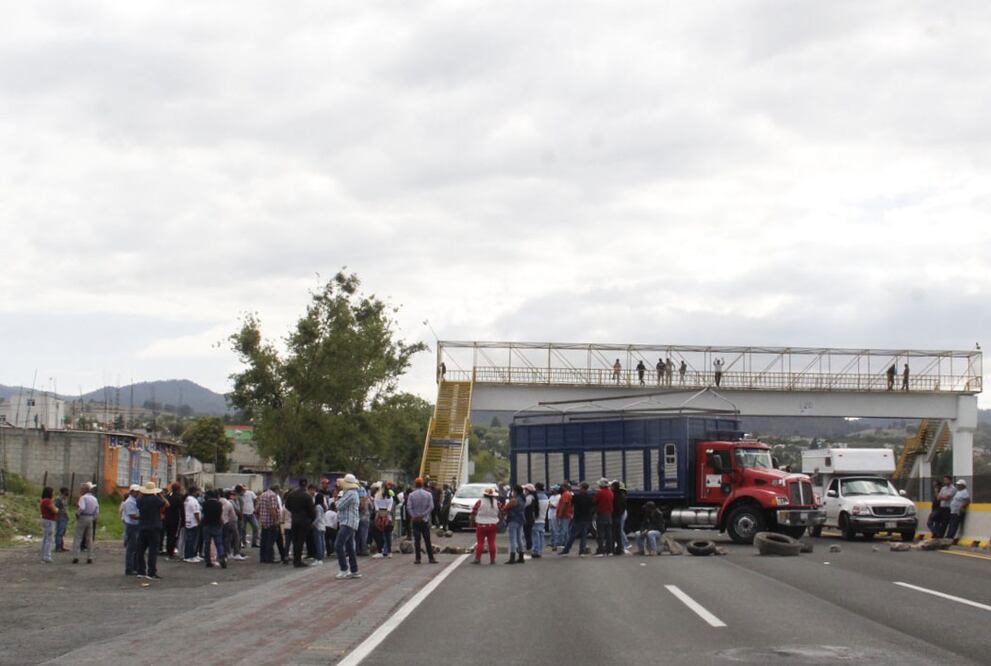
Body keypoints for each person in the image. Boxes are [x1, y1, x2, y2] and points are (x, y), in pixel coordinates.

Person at [135, 481, 168, 580]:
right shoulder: (156, 499)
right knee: (152, 551)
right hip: (154, 527)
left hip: (142, 526)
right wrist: (160, 495)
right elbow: (166, 504)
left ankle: (141, 571)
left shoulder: (139, 500)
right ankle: (151, 572)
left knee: (140, 550)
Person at [334, 474, 362, 579]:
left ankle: (344, 569)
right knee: (350, 547)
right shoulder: (352, 493)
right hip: (350, 522)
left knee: (338, 545)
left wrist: (337, 497)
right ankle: (354, 570)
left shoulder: (350, 493)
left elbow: (338, 505)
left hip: (347, 522)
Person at [285, 479, 316, 568]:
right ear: (306, 485)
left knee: (295, 541)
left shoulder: (292, 494)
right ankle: (298, 561)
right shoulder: (307, 496)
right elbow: (312, 511)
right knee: (301, 541)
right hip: (304, 521)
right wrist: (310, 519)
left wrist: (294, 512)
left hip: (294, 520)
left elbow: (287, 506)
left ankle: (296, 560)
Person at [407, 477, 437, 564]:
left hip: (415, 521)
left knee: (417, 540)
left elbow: (409, 507)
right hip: (424, 520)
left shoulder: (411, 495)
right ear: (423, 484)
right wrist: (423, 515)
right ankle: (431, 558)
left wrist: (414, 516)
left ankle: (418, 558)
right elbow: (431, 507)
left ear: (415, 484)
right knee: (427, 539)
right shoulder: (428, 494)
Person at [469, 487, 502, 564]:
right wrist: (499, 521)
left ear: (484, 494)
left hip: (481, 525)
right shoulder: (497, 502)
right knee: (492, 543)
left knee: (480, 542)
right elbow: (501, 513)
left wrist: (471, 522)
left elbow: (473, 512)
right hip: (493, 525)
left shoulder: (480, 502)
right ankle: (492, 559)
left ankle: (477, 559)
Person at [560, 482, 592, 556]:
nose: (579, 489)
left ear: (582, 488)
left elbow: (571, 504)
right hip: (587, 518)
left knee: (572, 535)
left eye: (580, 487)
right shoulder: (590, 497)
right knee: (584, 536)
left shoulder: (576, 497)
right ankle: (582, 551)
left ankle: (566, 550)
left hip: (578, 518)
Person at [72, 482, 99, 564]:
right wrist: (94, 518)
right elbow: (97, 510)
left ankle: (76, 556)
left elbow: (82, 507)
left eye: (81, 489)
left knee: (78, 536)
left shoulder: (83, 498)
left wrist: (77, 514)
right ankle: (90, 556)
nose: (80, 491)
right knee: (89, 538)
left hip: (83, 517)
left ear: (84, 490)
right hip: (90, 517)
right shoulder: (94, 498)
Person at [201, 489, 227, 569]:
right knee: (219, 543)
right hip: (217, 524)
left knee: (207, 544)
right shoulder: (219, 504)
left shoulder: (204, 504)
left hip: (207, 524)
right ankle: (221, 557)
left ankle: (208, 561)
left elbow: (203, 514)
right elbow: (220, 514)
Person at [257, 484, 282, 564]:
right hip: (271, 521)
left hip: (264, 521)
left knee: (263, 541)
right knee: (270, 541)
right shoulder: (273, 495)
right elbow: (272, 509)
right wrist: (276, 521)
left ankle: (263, 558)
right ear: (277, 490)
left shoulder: (263, 495)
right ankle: (269, 558)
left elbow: (258, 508)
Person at [504, 485, 527, 564]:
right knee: (519, 538)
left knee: (512, 539)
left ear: (516, 492)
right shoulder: (523, 499)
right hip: (521, 519)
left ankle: (512, 557)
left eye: (513, 491)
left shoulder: (514, 500)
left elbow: (505, 508)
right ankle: (521, 556)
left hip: (513, 519)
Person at [371, 483, 395, 559]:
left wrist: (378, 515)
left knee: (378, 533)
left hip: (379, 515)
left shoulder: (377, 496)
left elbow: (376, 507)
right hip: (387, 516)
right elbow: (389, 509)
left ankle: (380, 551)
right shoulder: (390, 496)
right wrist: (386, 515)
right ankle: (389, 552)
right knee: (387, 535)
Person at [121, 484, 141, 575]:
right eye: (136, 491)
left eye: (138, 491)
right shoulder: (129, 502)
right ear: (131, 491)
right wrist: (143, 516)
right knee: (131, 549)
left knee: (135, 548)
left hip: (135, 525)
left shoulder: (135, 500)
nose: (137, 492)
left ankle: (134, 567)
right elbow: (132, 515)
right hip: (132, 526)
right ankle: (129, 568)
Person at [221, 490, 245, 561]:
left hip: (228, 521)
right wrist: (240, 515)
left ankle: (228, 552)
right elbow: (237, 510)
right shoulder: (230, 502)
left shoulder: (226, 502)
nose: (235, 496)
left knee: (228, 538)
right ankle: (236, 553)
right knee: (236, 537)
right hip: (232, 522)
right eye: (233, 495)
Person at [164, 483, 185, 560]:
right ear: (178, 489)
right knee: (174, 535)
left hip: (167, 517)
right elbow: (182, 509)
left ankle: (169, 551)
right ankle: (171, 552)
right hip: (175, 518)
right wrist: (183, 519)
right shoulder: (179, 497)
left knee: (169, 535)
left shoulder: (168, 496)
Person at [594, 478, 613, 556]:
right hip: (609, 514)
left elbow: (595, 501)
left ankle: (601, 551)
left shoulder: (600, 493)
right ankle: (610, 551)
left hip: (601, 514)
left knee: (600, 534)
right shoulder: (610, 493)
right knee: (609, 534)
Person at [183, 486, 202, 562]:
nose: (198, 493)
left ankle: (192, 555)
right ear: (194, 492)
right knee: (192, 540)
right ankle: (189, 556)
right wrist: (199, 522)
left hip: (188, 520)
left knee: (189, 539)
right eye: (197, 491)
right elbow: (196, 513)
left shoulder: (187, 499)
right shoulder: (193, 501)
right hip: (193, 522)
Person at [237, 485, 259, 549]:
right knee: (242, 529)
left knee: (256, 527)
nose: (242, 493)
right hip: (243, 514)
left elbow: (256, 500)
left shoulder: (250, 493)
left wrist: (255, 508)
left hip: (251, 513)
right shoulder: (239, 496)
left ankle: (254, 543)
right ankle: (242, 542)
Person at [40, 486, 58, 563]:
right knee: (49, 539)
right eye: (52, 492)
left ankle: (44, 554)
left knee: (45, 538)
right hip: (49, 521)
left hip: (45, 520)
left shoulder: (43, 500)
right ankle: (47, 556)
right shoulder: (48, 501)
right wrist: (57, 509)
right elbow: (54, 510)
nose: (53, 493)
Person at [531, 483, 549, 558]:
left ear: (537, 488)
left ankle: (536, 551)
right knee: (541, 535)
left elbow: (534, 509)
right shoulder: (545, 496)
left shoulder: (536, 497)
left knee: (535, 535)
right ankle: (540, 551)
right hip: (543, 518)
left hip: (536, 519)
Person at [611, 480, 628, 555]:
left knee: (612, 534)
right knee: (618, 533)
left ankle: (612, 549)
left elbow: (612, 506)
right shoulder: (623, 496)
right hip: (619, 516)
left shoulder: (613, 496)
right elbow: (624, 507)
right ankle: (619, 549)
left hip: (614, 516)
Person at [555, 482, 573, 550]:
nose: (561, 488)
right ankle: (564, 542)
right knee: (565, 529)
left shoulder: (566, 494)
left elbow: (564, 504)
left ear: (565, 487)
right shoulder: (567, 494)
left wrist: (560, 513)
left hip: (565, 515)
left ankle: (563, 542)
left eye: (562, 487)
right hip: (566, 514)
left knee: (564, 529)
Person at [356, 482, 371, 556]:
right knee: (364, 535)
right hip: (364, 517)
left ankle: (358, 549)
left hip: (358, 517)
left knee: (358, 534)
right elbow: (367, 506)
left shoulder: (356, 492)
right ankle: (363, 550)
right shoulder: (364, 494)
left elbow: (361, 506)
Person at [54, 487, 70, 553]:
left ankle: (61, 546)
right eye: (67, 491)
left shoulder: (64, 499)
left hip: (64, 517)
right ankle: (58, 547)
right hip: (60, 517)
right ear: (63, 492)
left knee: (62, 532)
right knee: (59, 532)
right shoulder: (58, 499)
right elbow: (56, 509)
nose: (68, 492)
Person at [523, 483, 537, 553]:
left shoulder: (529, 497)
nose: (524, 491)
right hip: (529, 516)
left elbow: (524, 505)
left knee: (527, 532)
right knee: (528, 532)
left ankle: (529, 546)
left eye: (525, 490)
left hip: (527, 517)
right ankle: (529, 545)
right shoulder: (532, 497)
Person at [547, 485, 560, 550]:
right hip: (550, 515)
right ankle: (552, 542)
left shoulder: (559, 497)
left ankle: (556, 543)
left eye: (553, 489)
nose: (552, 490)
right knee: (551, 529)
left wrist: (549, 504)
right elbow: (548, 504)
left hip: (555, 515)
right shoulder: (551, 496)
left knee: (555, 529)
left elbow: (554, 506)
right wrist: (549, 504)